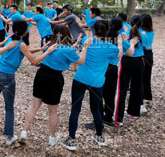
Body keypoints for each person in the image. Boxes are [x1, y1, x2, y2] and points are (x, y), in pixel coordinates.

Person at [0, 20, 57, 145]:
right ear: (25, 31)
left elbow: (26, 50)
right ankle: (9, 137)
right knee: (9, 107)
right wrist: (47, 52)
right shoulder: (21, 44)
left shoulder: (10, 39)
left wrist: (41, 48)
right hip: (7, 77)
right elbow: (33, 61)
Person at [19, 25, 91, 146]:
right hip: (55, 78)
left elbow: (65, 50)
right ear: (67, 34)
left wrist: (77, 42)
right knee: (52, 111)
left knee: (34, 106)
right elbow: (81, 61)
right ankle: (52, 138)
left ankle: (24, 132)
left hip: (41, 74)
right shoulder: (68, 50)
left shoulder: (50, 45)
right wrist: (84, 47)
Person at [62, 20, 123, 151]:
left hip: (80, 79)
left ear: (93, 30)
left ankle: (71, 139)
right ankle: (99, 136)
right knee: (96, 109)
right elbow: (119, 55)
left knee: (75, 109)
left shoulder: (86, 40)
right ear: (107, 31)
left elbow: (76, 51)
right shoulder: (110, 48)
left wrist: (78, 41)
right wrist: (120, 42)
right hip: (97, 82)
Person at [113, 15, 148, 126]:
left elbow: (120, 46)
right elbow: (147, 47)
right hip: (140, 62)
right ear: (141, 24)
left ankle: (118, 119)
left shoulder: (124, 34)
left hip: (127, 61)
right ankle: (134, 113)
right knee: (137, 87)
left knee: (122, 90)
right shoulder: (144, 35)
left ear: (130, 23)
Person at [140, 14, 155, 112]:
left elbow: (146, 45)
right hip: (149, 55)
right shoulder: (152, 32)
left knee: (141, 77)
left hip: (143, 54)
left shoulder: (140, 31)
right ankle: (148, 97)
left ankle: (142, 97)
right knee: (147, 76)